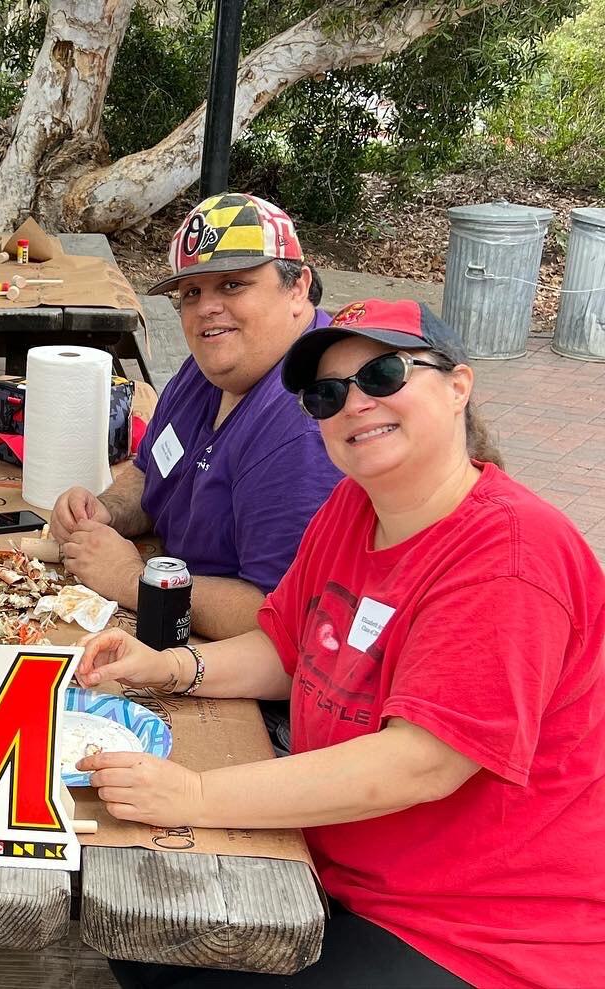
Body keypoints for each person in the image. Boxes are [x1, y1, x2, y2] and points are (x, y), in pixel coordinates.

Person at [75, 299, 605, 989]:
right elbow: (286, 645)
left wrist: (196, 793)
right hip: (342, 868)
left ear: (458, 386)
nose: (354, 403)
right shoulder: (353, 506)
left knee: (160, 932)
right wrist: (169, 665)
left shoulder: (508, 555)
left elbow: (420, 764)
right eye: (327, 393)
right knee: (143, 929)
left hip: (479, 933)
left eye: (383, 374)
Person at [52, 192, 342, 642]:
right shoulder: (215, 364)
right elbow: (152, 471)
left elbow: (279, 615)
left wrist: (133, 580)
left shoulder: (309, 423)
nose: (206, 307)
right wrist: (104, 512)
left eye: (232, 284)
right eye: (192, 292)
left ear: (298, 287)